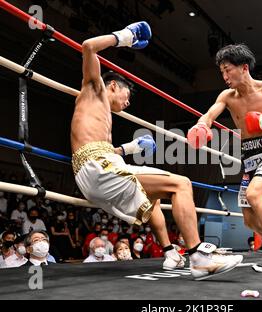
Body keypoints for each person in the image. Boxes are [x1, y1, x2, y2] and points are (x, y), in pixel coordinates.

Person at [70, 22, 242, 279]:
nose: (127, 103)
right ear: (114, 85)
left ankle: (170, 252)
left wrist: (128, 148)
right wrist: (125, 37)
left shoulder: (97, 113)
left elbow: (94, 150)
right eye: (127, 96)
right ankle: (198, 256)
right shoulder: (94, 89)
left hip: (97, 167)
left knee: (154, 197)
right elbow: (88, 47)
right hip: (98, 167)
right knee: (181, 184)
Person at [187, 43, 262, 273]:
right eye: (222, 72)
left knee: (254, 194)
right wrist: (201, 126)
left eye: (228, 70)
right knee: (248, 218)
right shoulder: (227, 96)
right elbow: (209, 114)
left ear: (244, 67)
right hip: (249, 155)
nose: (225, 76)